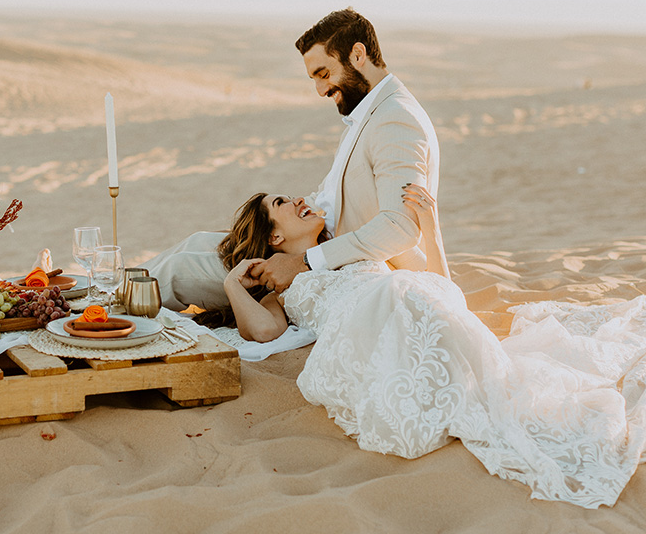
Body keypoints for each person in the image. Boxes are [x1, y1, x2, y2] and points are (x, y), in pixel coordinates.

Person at [219, 185, 646, 509]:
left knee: (406, 287)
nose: (297, 200)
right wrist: (231, 285)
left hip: (409, 302)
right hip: (366, 324)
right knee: (399, 289)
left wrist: (431, 226)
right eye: (281, 204)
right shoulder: (284, 285)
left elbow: (442, 288)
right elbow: (263, 332)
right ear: (273, 239)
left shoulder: (358, 248)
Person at [143, 7, 438, 310]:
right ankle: (110, 285)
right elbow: (334, 198)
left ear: (358, 54)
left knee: (180, 271)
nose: (321, 89)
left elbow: (399, 227)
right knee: (198, 242)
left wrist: (302, 261)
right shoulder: (370, 113)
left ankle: (109, 302)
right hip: (308, 244)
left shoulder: (395, 121)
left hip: (342, 267)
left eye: (324, 74)